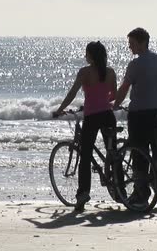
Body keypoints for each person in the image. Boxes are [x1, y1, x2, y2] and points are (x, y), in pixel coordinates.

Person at [53, 41, 117, 212]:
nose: (85, 56)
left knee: (85, 155)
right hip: (108, 116)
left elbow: (72, 93)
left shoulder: (85, 72)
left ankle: (83, 194)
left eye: (86, 53)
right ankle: (120, 189)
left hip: (92, 117)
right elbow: (113, 96)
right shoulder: (110, 72)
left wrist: (60, 109)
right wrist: (101, 101)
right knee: (113, 154)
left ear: (91, 55)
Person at [113, 27, 157, 205]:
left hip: (140, 114)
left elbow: (124, 88)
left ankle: (141, 194)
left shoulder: (135, 65)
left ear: (142, 42)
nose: (130, 47)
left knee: (139, 152)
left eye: (132, 43)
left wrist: (114, 104)